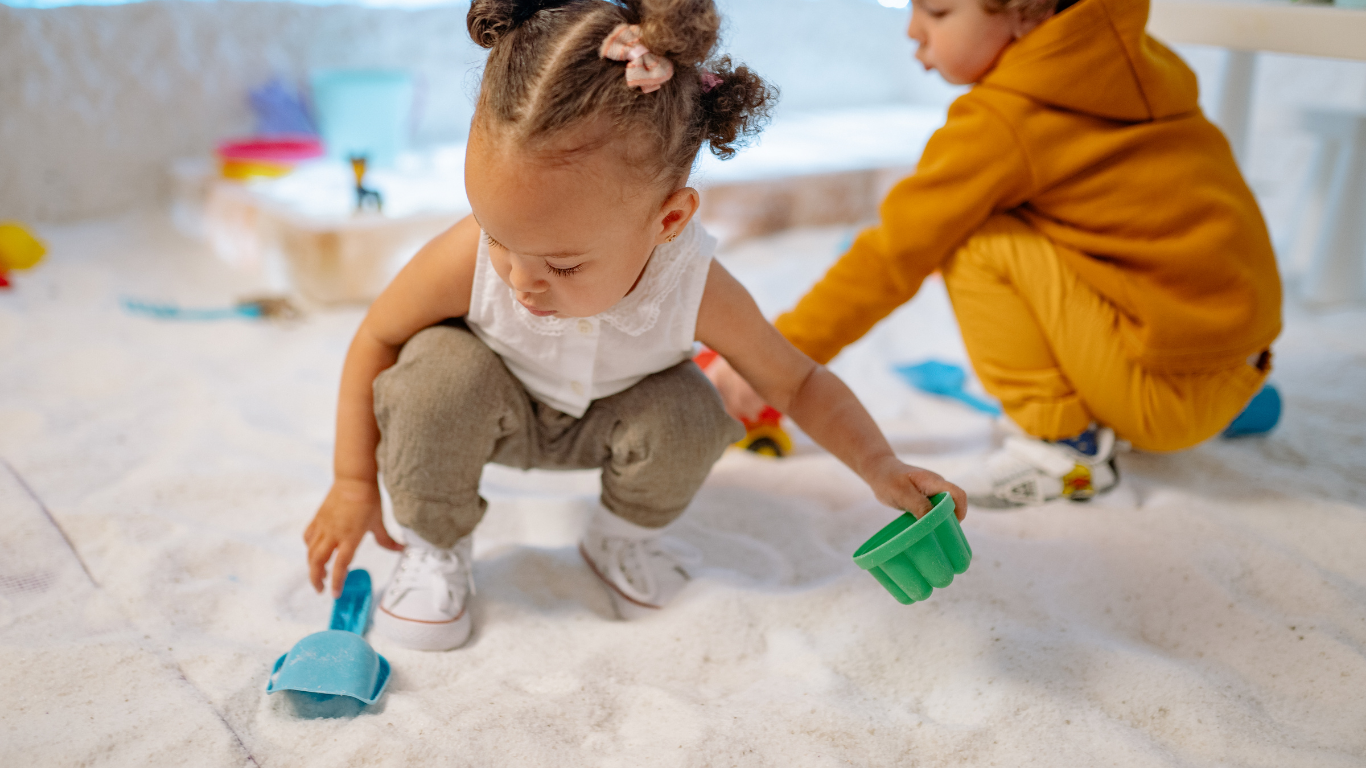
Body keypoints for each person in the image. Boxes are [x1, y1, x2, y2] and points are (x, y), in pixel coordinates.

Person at [302, 0, 967, 652]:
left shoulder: (694, 282)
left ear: (669, 221)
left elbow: (797, 384)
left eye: (563, 264)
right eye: (500, 237)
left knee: (693, 409)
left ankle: (619, 535)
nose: (521, 278)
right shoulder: (469, 257)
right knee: (432, 379)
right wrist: (353, 482)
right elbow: (378, 337)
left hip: (611, 423)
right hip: (487, 410)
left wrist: (880, 465)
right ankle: (437, 547)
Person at [706, 0, 1282, 507]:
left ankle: (1065, 447)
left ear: (1025, 11)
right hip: (1241, 358)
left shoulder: (1003, 120)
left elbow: (890, 258)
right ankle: (1192, 402)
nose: (914, 31)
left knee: (974, 237)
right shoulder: (1137, 62)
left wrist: (773, 365)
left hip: (1164, 393)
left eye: (936, 11)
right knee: (1064, 226)